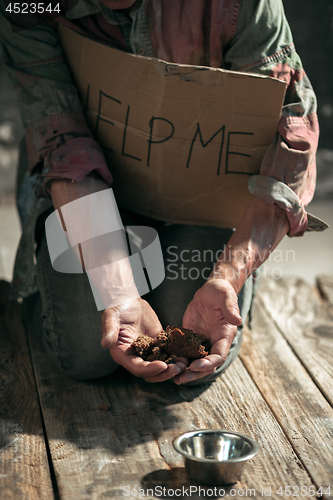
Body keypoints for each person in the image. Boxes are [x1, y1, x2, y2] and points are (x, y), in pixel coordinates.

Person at [0, 0, 319, 384]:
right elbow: (64, 143)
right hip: (91, 193)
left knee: (195, 333)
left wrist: (228, 276)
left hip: (206, 199)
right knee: (89, 347)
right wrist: (118, 291)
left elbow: (292, 138)